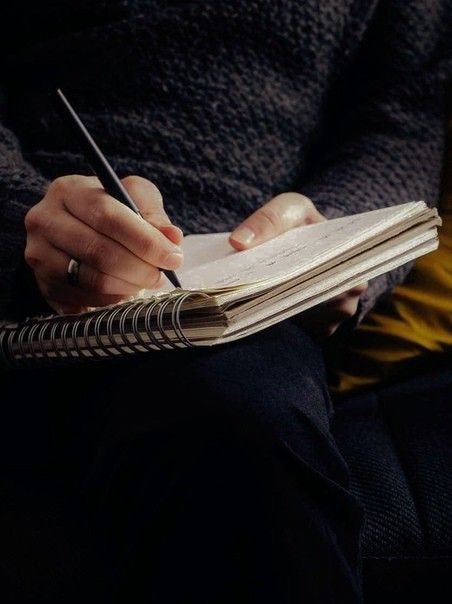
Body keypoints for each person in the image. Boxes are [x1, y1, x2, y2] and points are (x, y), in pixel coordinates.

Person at [0, 1, 450, 602]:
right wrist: (28, 217)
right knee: (229, 411)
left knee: (235, 404)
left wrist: (334, 246)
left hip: (254, 277)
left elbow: (403, 120)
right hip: (42, 261)